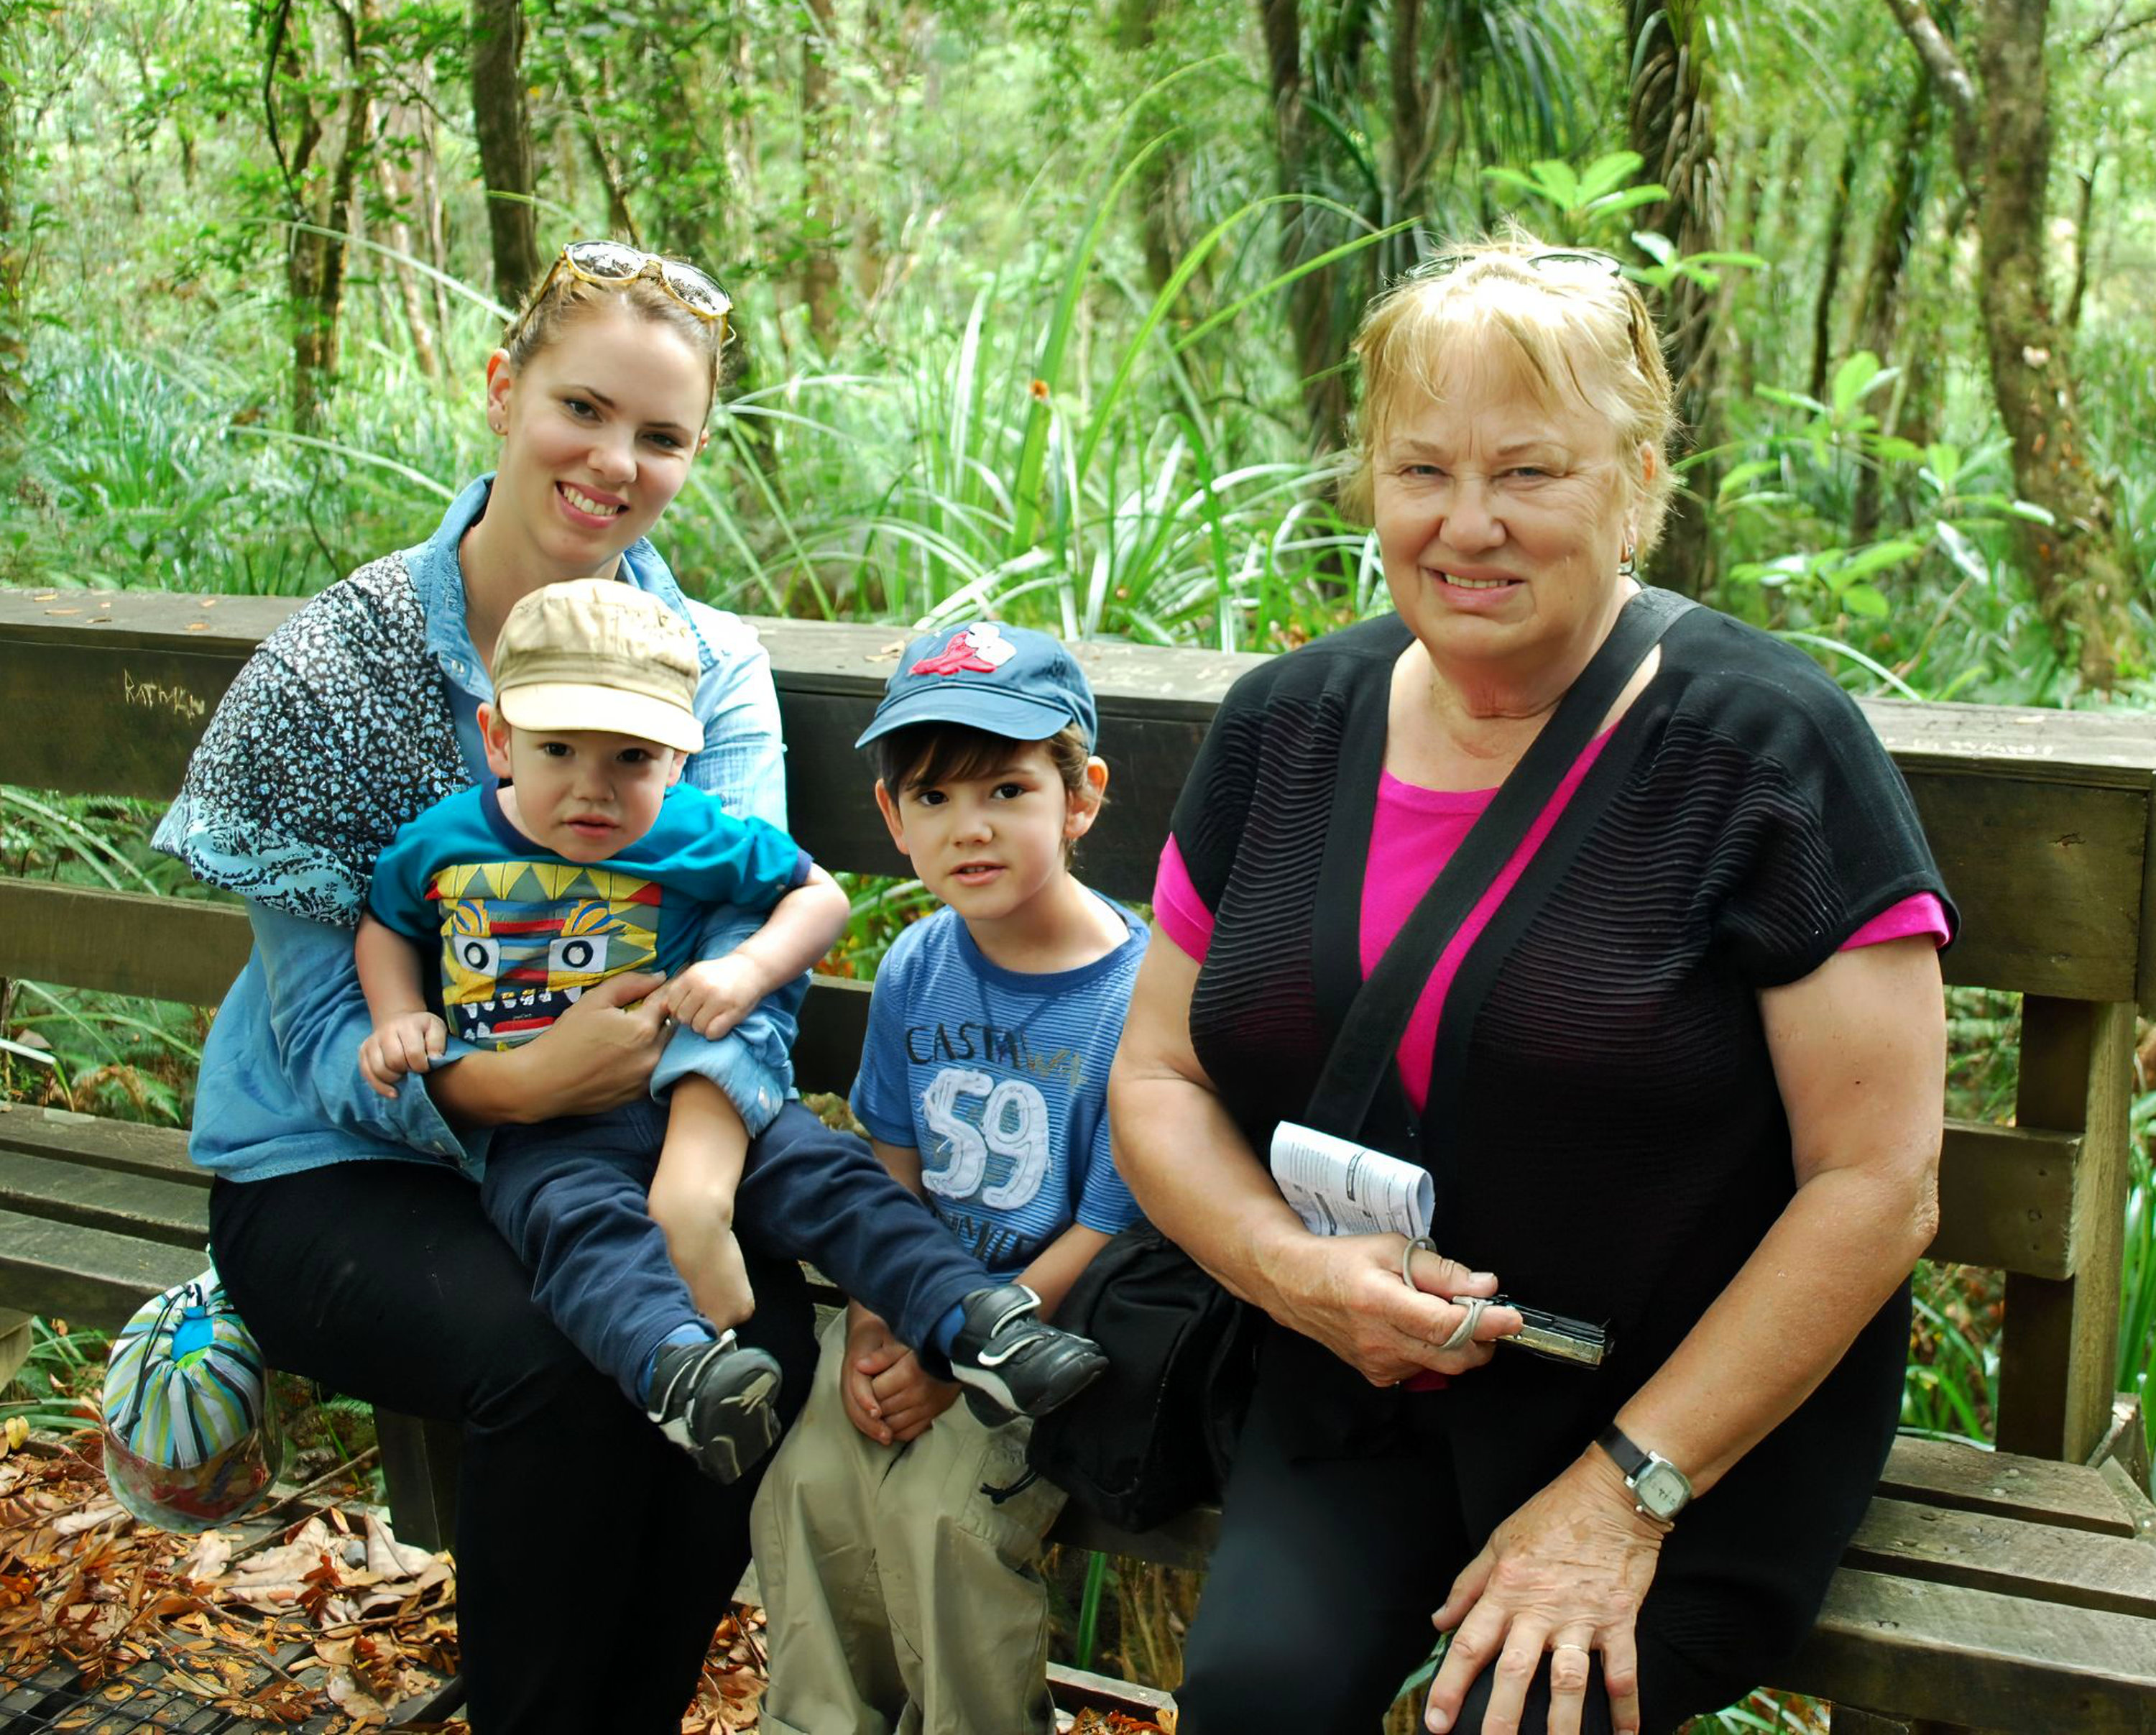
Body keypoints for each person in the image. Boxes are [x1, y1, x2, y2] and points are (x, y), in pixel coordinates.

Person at [149, 241, 1080, 1735]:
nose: (614, 463)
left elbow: (753, 953)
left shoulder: (707, 669)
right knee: (564, 1354)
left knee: (754, 1344)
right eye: (582, 408)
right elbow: (325, 1025)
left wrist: (699, 1177)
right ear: (504, 391)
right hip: (344, 1171)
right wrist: (510, 1085)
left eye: (662, 435)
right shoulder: (341, 664)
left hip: (644, 1133)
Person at [1107, 239, 1955, 1735]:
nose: (1468, 523)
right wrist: (1290, 1271)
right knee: (1253, 1696)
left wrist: (1623, 1492)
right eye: (1422, 470)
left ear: (1639, 483)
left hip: (1688, 1418)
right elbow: (1159, 1076)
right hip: (1359, 1372)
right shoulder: (1284, 725)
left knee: (1525, 1714)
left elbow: (1877, 1184)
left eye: (1529, 472)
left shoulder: (1767, 751)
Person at [353, 576, 847, 1483]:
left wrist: (746, 969)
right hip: (540, 1134)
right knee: (578, 1228)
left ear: (676, 757)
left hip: (679, 1102)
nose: (593, 787)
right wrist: (399, 1014)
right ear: (500, 739)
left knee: (825, 1169)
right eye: (557, 748)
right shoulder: (446, 840)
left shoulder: (688, 832)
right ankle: (679, 1372)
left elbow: (818, 897)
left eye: (630, 756)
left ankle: (959, 1311)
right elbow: (387, 921)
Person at [750, 621, 1150, 1735]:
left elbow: (1109, 1225)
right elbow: (890, 1170)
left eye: (1007, 790)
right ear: (894, 817)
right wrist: (878, 1315)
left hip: (1045, 1329)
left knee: (943, 1522)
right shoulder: (917, 964)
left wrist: (954, 1353)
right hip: (907, 1294)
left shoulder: (1134, 993)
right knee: (807, 1484)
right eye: (932, 796)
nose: (969, 827)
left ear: (1079, 797)